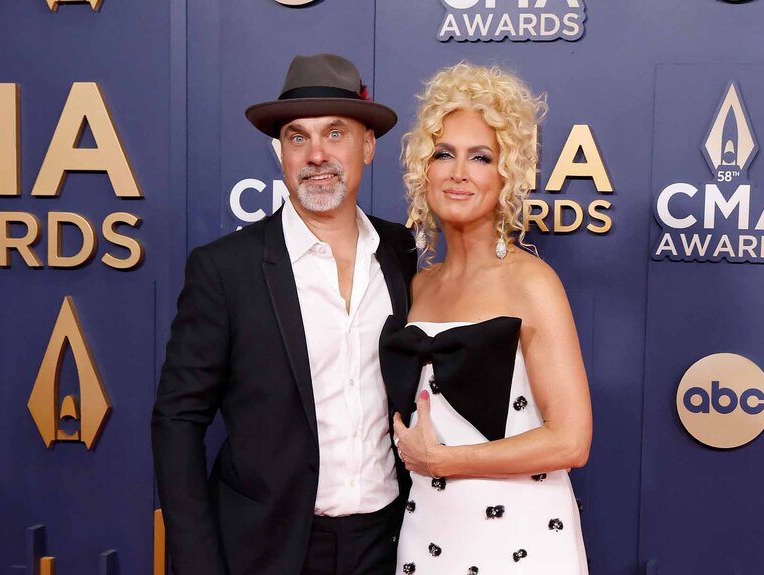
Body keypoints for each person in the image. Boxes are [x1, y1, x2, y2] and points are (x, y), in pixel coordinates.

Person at [152, 53, 417, 575]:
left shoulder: (399, 250)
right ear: (281, 154)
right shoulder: (224, 269)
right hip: (267, 548)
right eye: (298, 138)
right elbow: (178, 420)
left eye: (335, 134)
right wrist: (197, 561)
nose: (316, 154)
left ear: (368, 146)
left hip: (389, 541)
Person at [379, 62, 592, 574]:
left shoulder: (531, 283)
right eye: (444, 154)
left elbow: (571, 440)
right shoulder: (416, 286)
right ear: (422, 169)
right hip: (426, 533)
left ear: (507, 173)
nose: (458, 173)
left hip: (522, 540)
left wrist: (444, 463)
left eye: (480, 157)